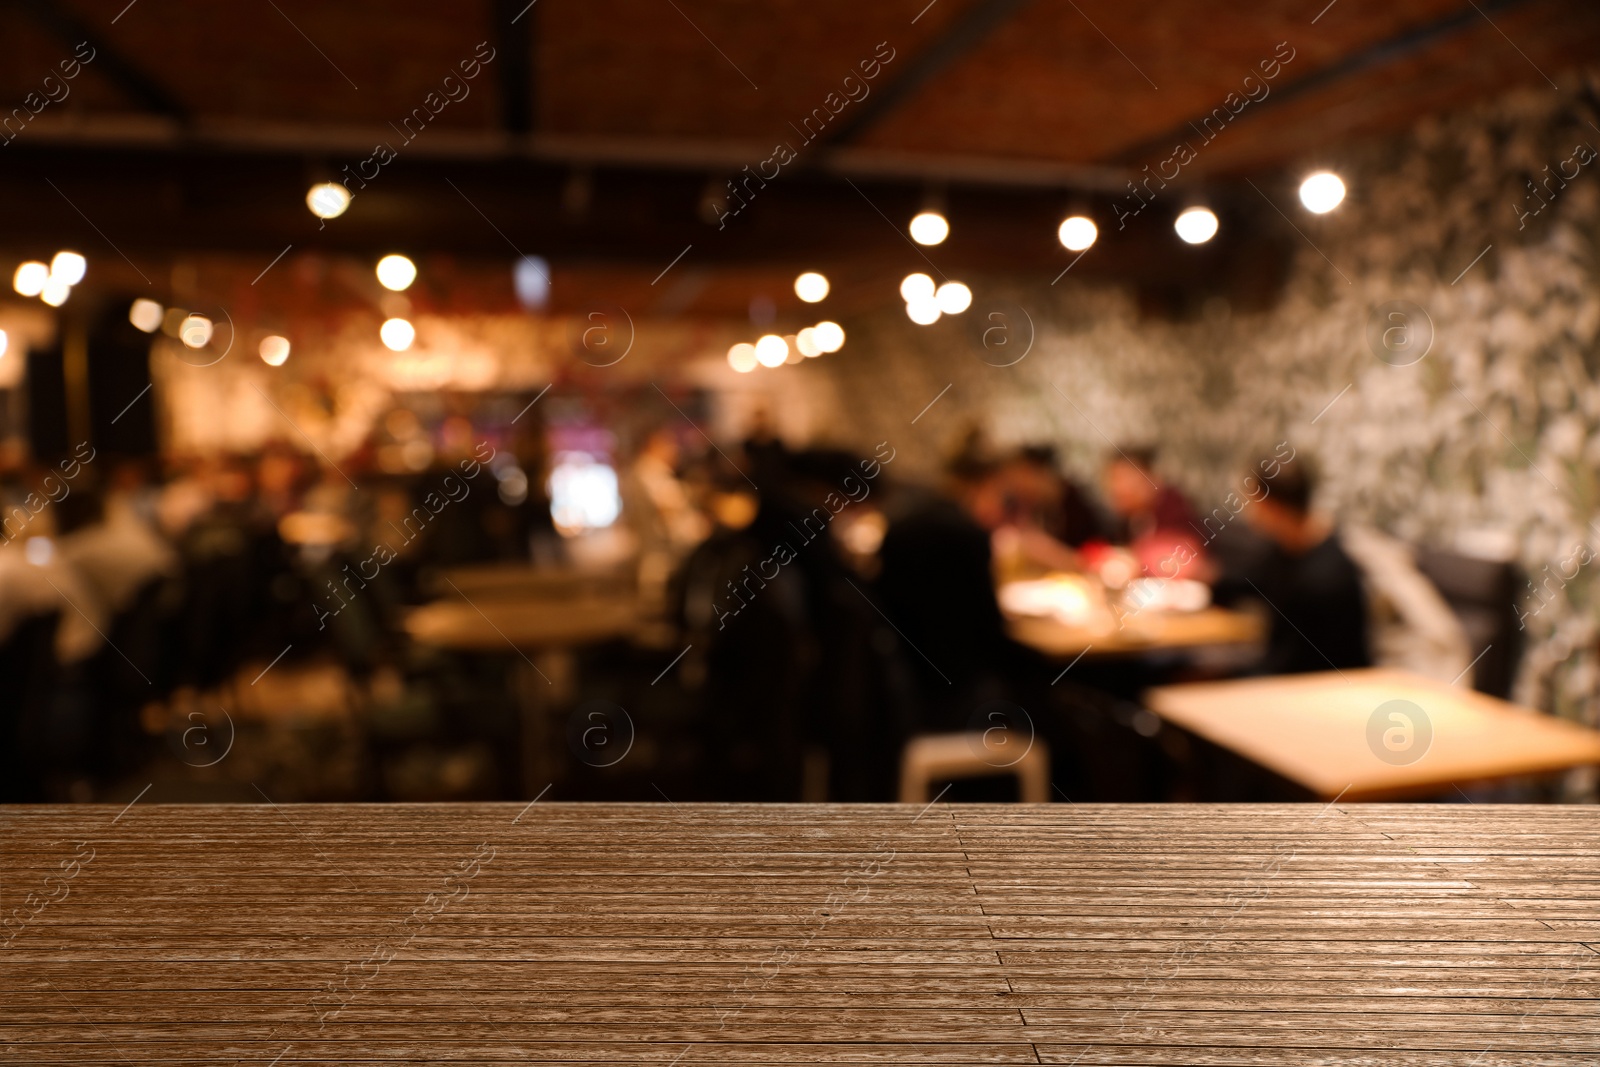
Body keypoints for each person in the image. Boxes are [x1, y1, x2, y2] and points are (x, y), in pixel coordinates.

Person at [1219, 459, 1370, 675]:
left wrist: (1229, 678)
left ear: (1273, 507)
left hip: (1320, 686)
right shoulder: (1285, 549)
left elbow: (1299, 661)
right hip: (1291, 673)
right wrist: (1203, 580)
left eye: (1252, 502)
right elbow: (1248, 582)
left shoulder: (1325, 576)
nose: (1249, 513)